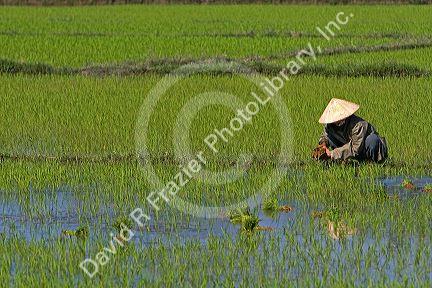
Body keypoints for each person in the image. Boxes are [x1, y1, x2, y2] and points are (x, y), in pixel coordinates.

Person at [317, 98, 388, 163]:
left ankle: (373, 163)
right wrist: (323, 145)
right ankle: (342, 161)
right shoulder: (330, 125)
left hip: (363, 149)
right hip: (349, 148)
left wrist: (332, 154)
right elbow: (325, 136)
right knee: (330, 138)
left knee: (372, 139)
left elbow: (355, 148)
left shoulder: (358, 125)